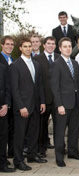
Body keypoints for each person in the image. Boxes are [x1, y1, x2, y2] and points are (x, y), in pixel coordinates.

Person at [10, 38, 47, 171]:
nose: (27, 48)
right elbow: (14, 89)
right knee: (20, 135)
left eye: (30, 46)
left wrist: (42, 101)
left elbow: (40, 85)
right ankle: (18, 161)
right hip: (23, 107)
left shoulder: (36, 64)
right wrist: (21, 106)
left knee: (34, 132)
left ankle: (32, 155)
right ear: (20, 48)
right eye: (25, 46)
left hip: (36, 105)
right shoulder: (15, 65)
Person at [50, 37, 79, 167]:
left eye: (69, 46)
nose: (68, 48)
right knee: (60, 131)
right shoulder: (56, 64)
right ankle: (59, 157)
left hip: (75, 103)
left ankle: (73, 152)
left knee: (74, 130)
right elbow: (55, 87)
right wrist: (59, 105)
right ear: (60, 48)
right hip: (63, 105)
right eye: (65, 46)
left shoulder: (75, 63)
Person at [33, 36, 59, 158]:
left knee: (59, 126)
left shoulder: (60, 58)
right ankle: (41, 149)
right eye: (48, 43)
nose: (51, 46)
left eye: (53, 44)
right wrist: (41, 100)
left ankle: (60, 148)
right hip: (44, 99)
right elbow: (37, 81)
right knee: (42, 126)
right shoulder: (37, 59)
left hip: (58, 99)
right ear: (44, 45)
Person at [0, 35, 15, 159]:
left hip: (13, 101)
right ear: (2, 45)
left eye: (12, 44)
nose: (10, 46)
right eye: (7, 44)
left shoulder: (13, 60)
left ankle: (10, 153)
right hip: (3, 101)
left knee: (12, 129)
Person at [0, 63, 15, 173]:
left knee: (3, 137)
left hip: (2, 109)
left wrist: (6, 104)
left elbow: (8, 88)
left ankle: (2, 163)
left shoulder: (3, 67)